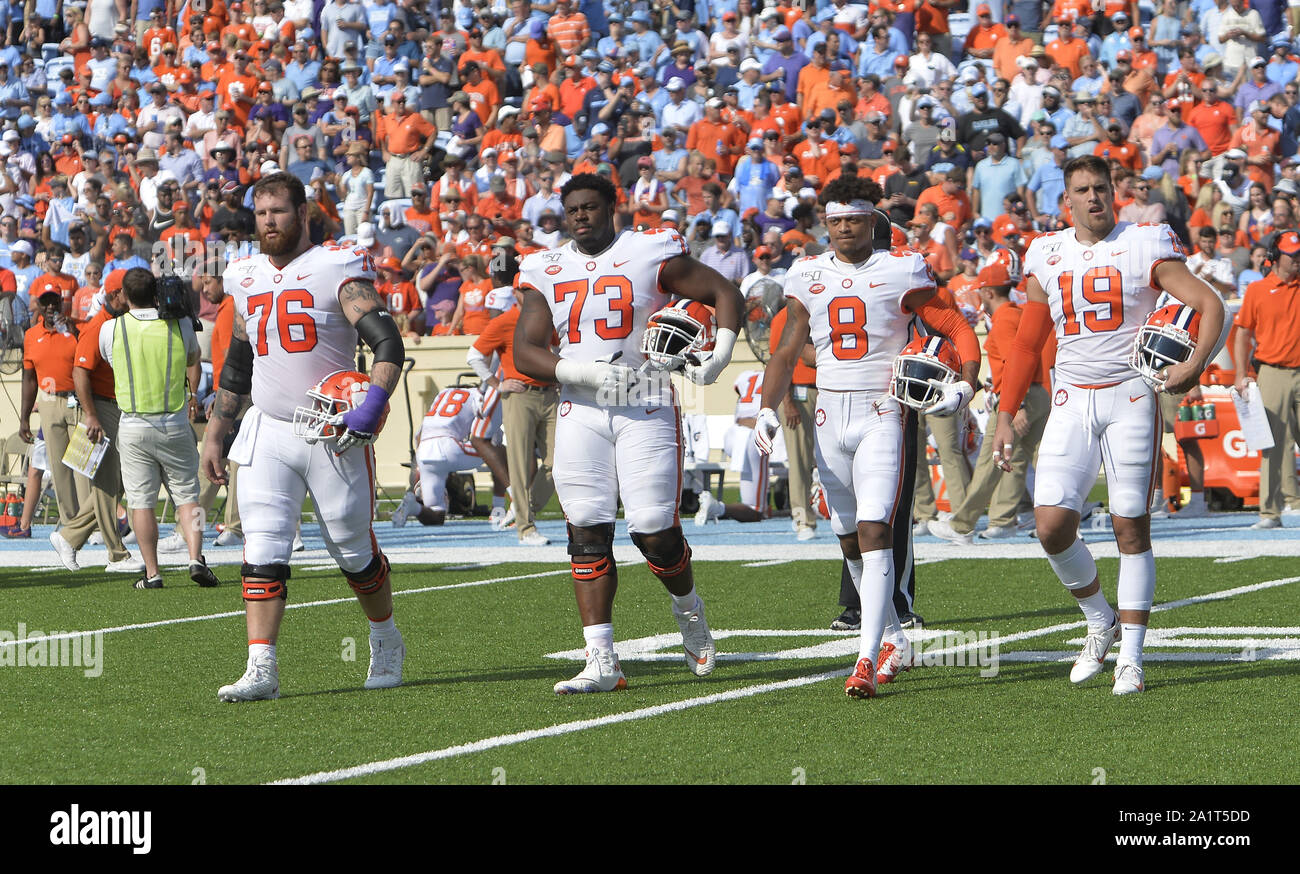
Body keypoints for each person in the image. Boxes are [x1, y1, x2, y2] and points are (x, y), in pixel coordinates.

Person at [992, 155, 1226, 696]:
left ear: (1114, 193)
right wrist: (1005, 414)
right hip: (1072, 398)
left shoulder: (1144, 242)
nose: (1094, 197)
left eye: (1102, 187)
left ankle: (1132, 658)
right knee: (1050, 526)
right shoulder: (1046, 253)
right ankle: (1100, 618)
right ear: (1066, 200)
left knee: (1129, 526)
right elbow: (1028, 343)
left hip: (1131, 394)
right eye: (1083, 190)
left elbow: (1208, 304)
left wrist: (1193, 367)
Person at [513, 173, 744, 694]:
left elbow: (722, 291)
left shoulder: (647, 250)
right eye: (572, 210)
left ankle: (689, 610)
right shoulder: (544, 268)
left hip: (643, 399)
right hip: (581, 405)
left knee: (652, 529)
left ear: (612, 208)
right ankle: (601, 659)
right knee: (586, 530)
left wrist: (720, 355)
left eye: (590, 207)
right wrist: (586, 372)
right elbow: (524, 352)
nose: (581, 217)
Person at [755, 176, 981, 698]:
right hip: (830, 411)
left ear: (871, 221)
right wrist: (768, 406)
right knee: (850, 536)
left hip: (884, 410)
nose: (842, 229)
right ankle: (896, 640)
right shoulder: (807, 272)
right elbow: (788, 350)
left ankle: (865, 655)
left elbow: (956, 327)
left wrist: (968, 385)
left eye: (852, 220)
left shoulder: (900, 267)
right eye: (833, 221)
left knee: (877, 529)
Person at [200, 173, 408, 702]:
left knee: (353, 549)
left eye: (279, 211)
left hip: (330, 429)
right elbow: (240, 361)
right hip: (268, 427)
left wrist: (373, 404)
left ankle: (384, 635)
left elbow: (387, 342)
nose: (269, 221)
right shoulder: (244, 275)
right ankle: (261, 667)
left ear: (304, 213)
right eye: (262, 212)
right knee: (263, 545)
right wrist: (217, 431)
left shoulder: (338, 266)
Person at [96, 268, 216, 591]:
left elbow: (109, 360)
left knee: (141, 501)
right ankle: (195, 557)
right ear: (157, 292)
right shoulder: (180, 325)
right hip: (174, 421)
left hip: (133, 423)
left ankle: (152, 572)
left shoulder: (110, 329)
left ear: (124, 294)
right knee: (189, 497)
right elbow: (193, 359)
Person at [929, 262, 1052, 544]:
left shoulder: (1005, 319)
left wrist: (1015, 406)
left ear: (986, 292)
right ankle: (1004, 520)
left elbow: (1012, 363)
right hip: (1035, 393)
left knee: (989, 461)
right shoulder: (1017, 314)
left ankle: (962, 526)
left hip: (1018, 396)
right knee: (1020, 460)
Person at [47, 269, 144, 574]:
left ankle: (68, 536)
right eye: (127, 292)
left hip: (114, 406)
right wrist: (91, 415)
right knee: (107, 480)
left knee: (117, 481)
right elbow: (80, 371)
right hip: (101, 407)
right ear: (117, 295)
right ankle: (116, 554)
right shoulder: (97, 326)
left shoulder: (114, 322)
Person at [468, 298, 557, 544]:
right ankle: (525, 528)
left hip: (550, 393)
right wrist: (497, 383)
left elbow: (557, 349)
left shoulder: (546, 315)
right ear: (518, 292)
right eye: (527, 290)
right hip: (519, 394)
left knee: (559, 458)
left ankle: (522, 510)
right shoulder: (504, 321)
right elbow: (474, 355)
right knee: (518, 462)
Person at [1233, 230, 1300, 529]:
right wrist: (1240, 374)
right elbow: (1243, 332)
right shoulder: (1258, 291)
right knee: (1273, 445)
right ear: (1275, 257)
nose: (1297, 259)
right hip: (1272, 371)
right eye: (1291, 255)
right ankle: (1270, 512)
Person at [393, 382, 507, 527]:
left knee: (437, 516)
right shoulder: (479, 397)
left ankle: (413, 506)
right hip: (448, 446)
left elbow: (418, 437)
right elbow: (492, 442)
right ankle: (499, 508)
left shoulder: (442, 395)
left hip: (424, 452)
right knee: (499, 452)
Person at [18, 287, 87, 524]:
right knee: (59, 470)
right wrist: (24, 417)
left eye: (54, 302)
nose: (50, 307)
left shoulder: (77, 328)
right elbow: (28, 379)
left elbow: (90, 364)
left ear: (61, 303)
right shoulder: (31, 335)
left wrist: (74, 331)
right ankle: (71, 525)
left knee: (82, 465)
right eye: (45, 302)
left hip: (77, 401)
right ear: (38, 304)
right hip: (48, 402)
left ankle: (92, 522)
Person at [695, 369, 773, 524]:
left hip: (734, 433)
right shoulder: (784, 371)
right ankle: (716, 507)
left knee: (756, 506)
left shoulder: (746, 375)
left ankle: (717, 507)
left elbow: (742, 399)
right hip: (755, 435)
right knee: (756, 510)